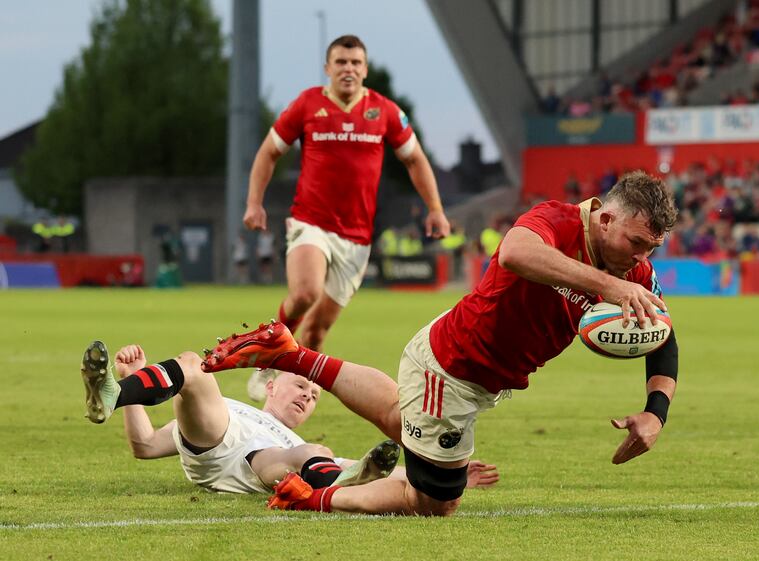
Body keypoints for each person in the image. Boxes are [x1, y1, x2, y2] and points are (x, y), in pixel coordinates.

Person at [204, 171, 680, 515]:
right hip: (453, 371)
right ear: (604, 218)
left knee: (398, 416)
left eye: (651, 250)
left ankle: (289, 354)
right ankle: (311, 499)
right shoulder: (556, 220)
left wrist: (655, 412)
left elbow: (663, 336)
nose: (641, 258)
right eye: (636, 242)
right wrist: (608, 287)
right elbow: (515, 252)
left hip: (456, 359)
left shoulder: (633, 272)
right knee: (434, 501)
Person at [243, 34, 451, 402]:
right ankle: (269, 358)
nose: (348, 69)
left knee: (319, 331)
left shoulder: (385, 112)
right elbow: (267, 153)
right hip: (311, 222)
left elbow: (415, 160)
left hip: (357, 237)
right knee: (305, 293)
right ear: (328, 68)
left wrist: (435, 209)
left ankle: (290, 395)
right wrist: (254, 203)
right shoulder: (307, 105)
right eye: (340, 62)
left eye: (355, 63)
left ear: (365, 70)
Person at [81, 334, 497, 498]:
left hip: (261, 462)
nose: (307, 396)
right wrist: (132, 379)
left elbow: (385, 470)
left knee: (318, 454)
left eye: (315, 395)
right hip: (218, 437)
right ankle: (116, 392)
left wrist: (449, 474)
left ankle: (336, 482)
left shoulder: (295, 442)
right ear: (271, 385)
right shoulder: (234, 406)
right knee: (193, 364)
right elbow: (145, 445)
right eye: (301, 386)